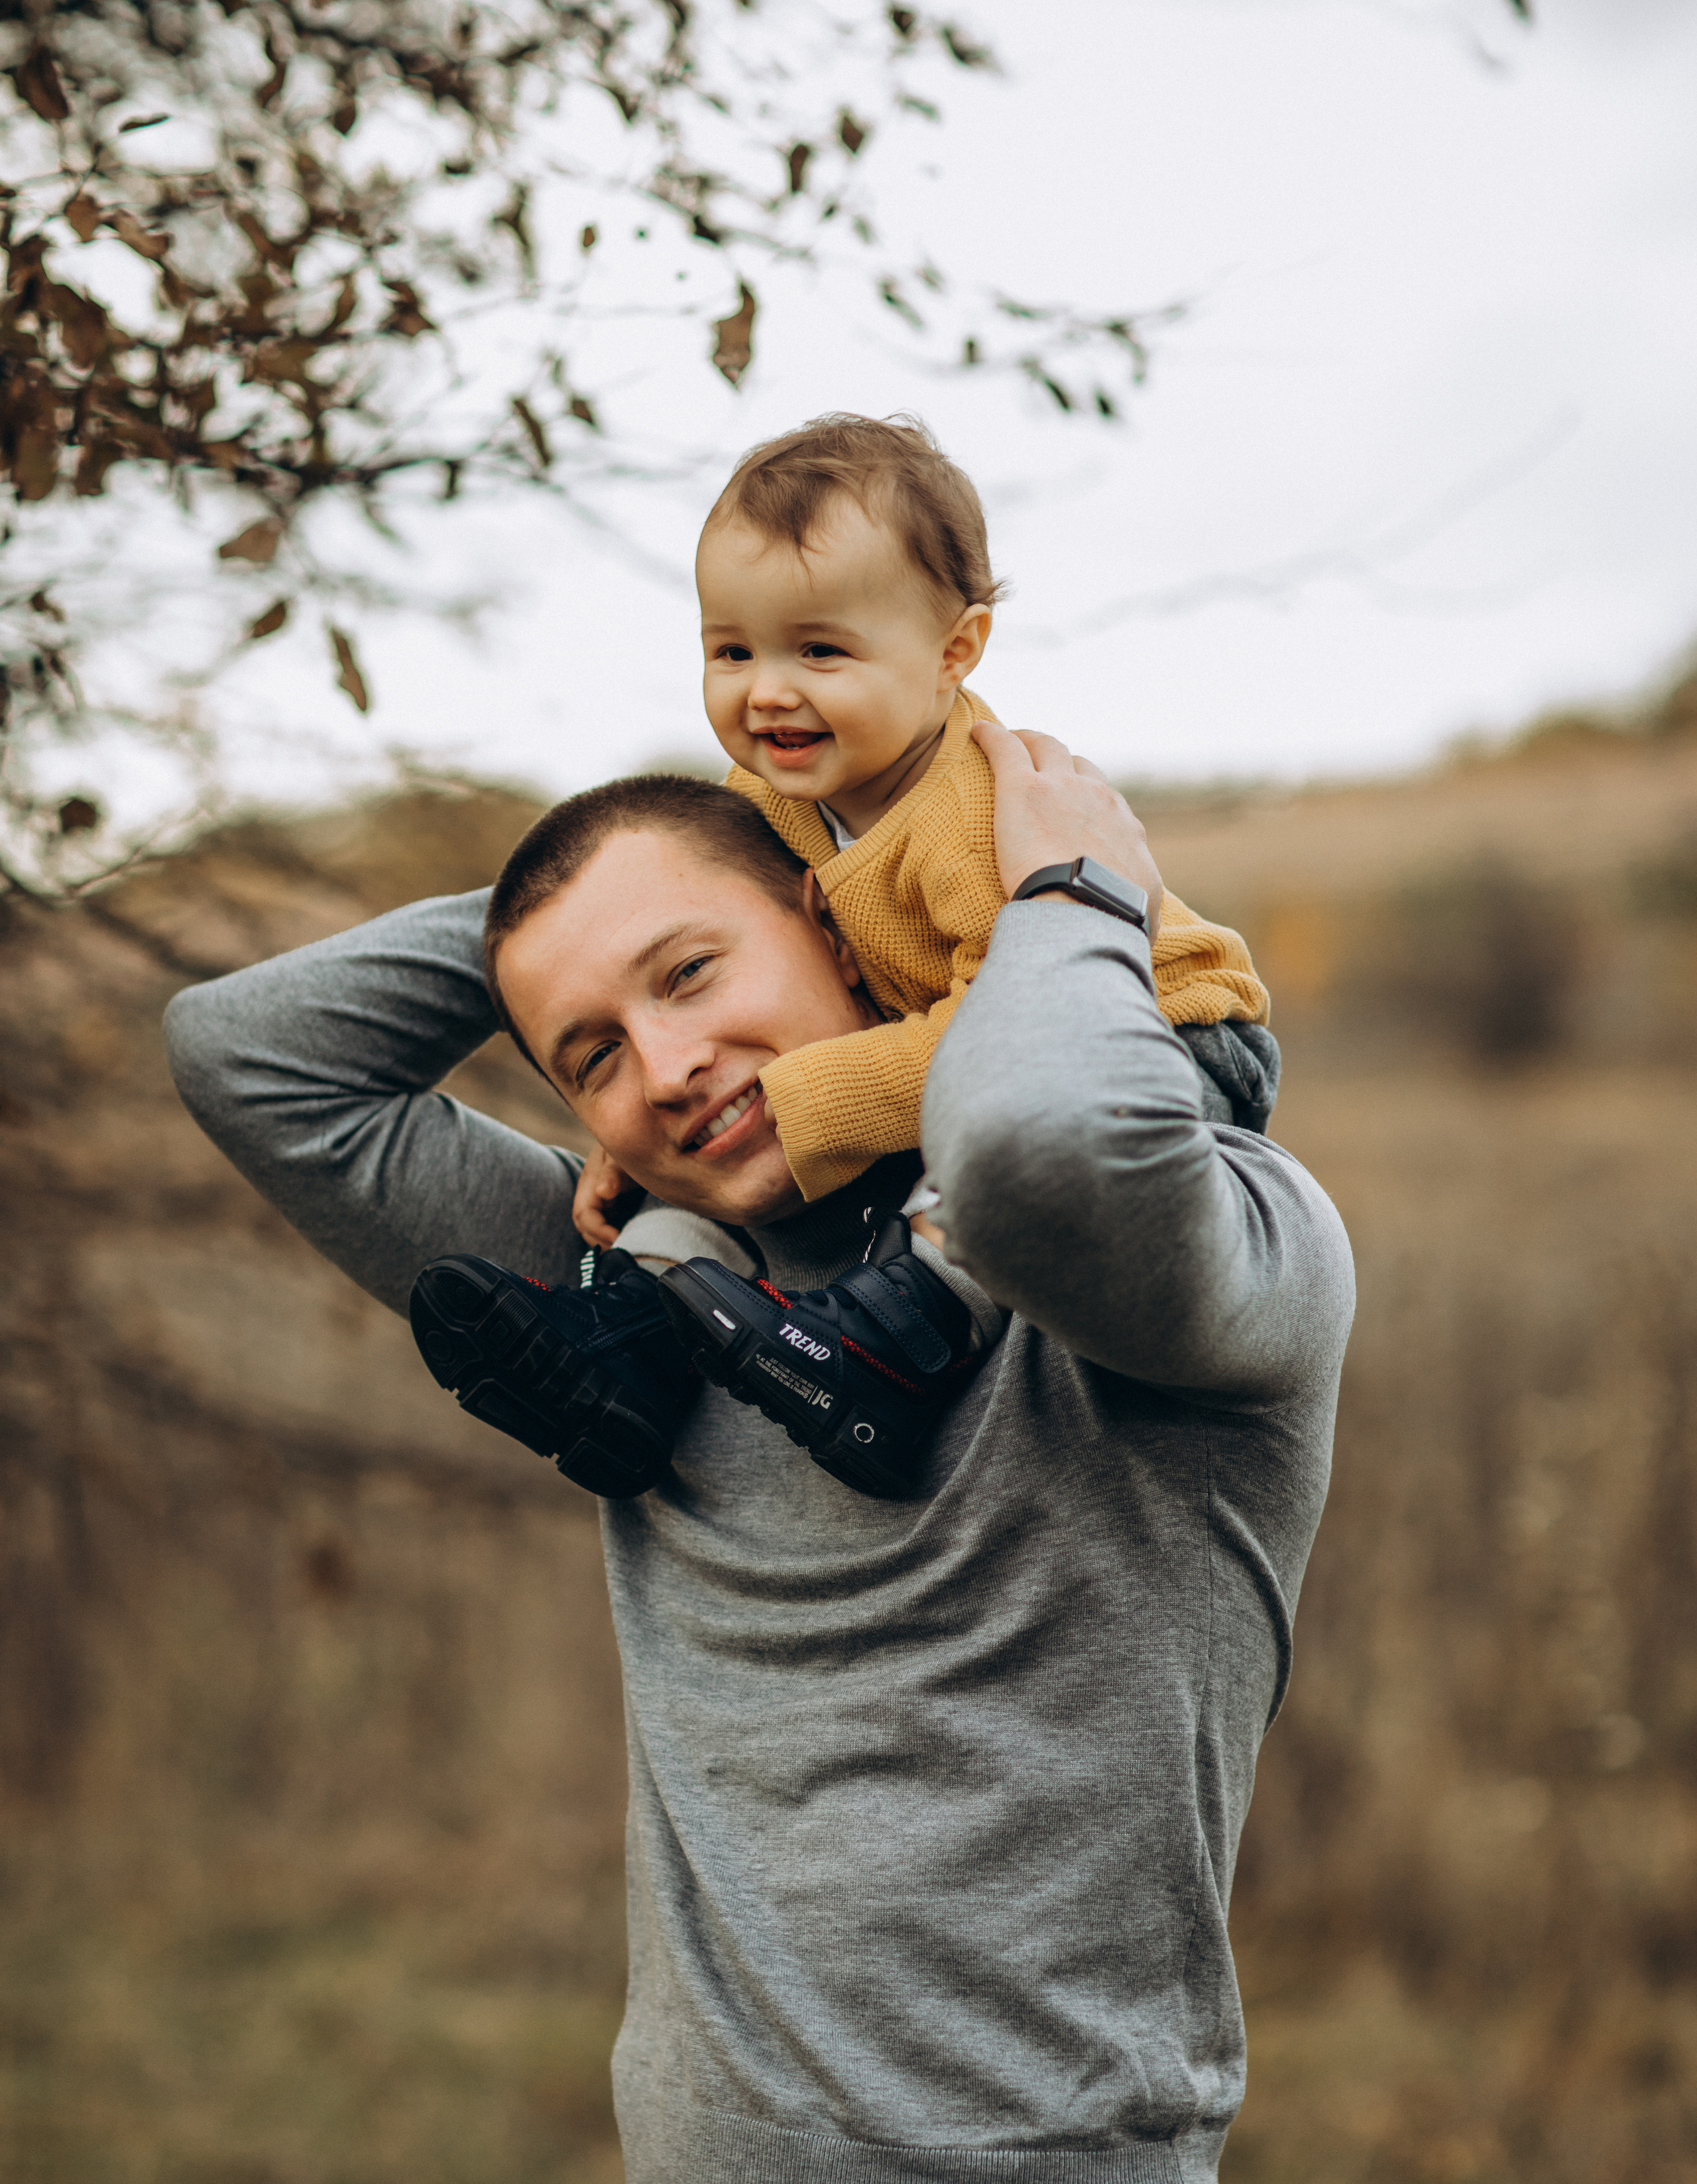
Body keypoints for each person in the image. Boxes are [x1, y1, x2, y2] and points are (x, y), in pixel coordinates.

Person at [164, 726, 1354, 2183]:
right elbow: (248, 1057)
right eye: (592, 1054)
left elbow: (1038, 1159)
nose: (666, 1071)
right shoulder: (631, 1295)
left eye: (689, 972)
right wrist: (664, 863)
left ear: (839, 928)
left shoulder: (1213, 1239)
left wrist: (1047, 894)